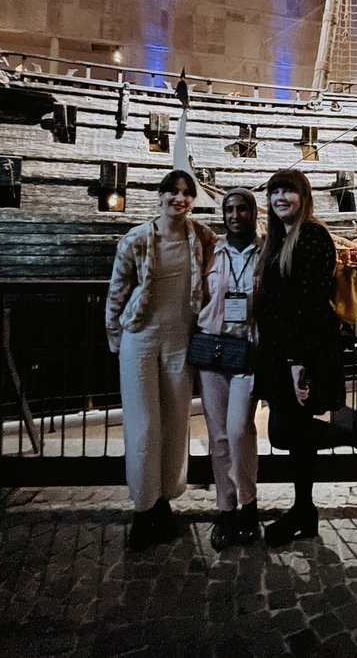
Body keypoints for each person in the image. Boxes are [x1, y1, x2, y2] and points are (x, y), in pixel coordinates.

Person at [255, 169, 357, 547]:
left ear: (304, 196)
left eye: (289, 191)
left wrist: (298, 364)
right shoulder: (278, 239)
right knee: (291, 436)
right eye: (275, 191)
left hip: (305, 352)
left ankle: (356, 434)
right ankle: (305, 510)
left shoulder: (312, 236)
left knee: (287, 433)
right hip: (284, 351)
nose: (281, 197)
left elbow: (310, 303)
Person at [106, 169, 216, 550]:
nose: (179, 199)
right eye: (172, 192)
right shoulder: (137, 239)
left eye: (187, 193)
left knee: (175, 423)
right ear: (160, 196)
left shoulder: (201, 236)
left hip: (181, 340)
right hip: (140, 338)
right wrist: (114, 337)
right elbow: (117, 290)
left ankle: (165, 500)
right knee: (144, 425)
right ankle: (143, 508)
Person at [197, 187, 261, 549]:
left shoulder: (265, 252)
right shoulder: (210, 252)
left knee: (239, 431)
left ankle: (248, 503)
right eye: (229, 209)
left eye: (242, 209)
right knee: (218, 436)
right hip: (213, 350)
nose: (235, 215)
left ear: (253, 213)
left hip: (248, 352)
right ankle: (226, 508)